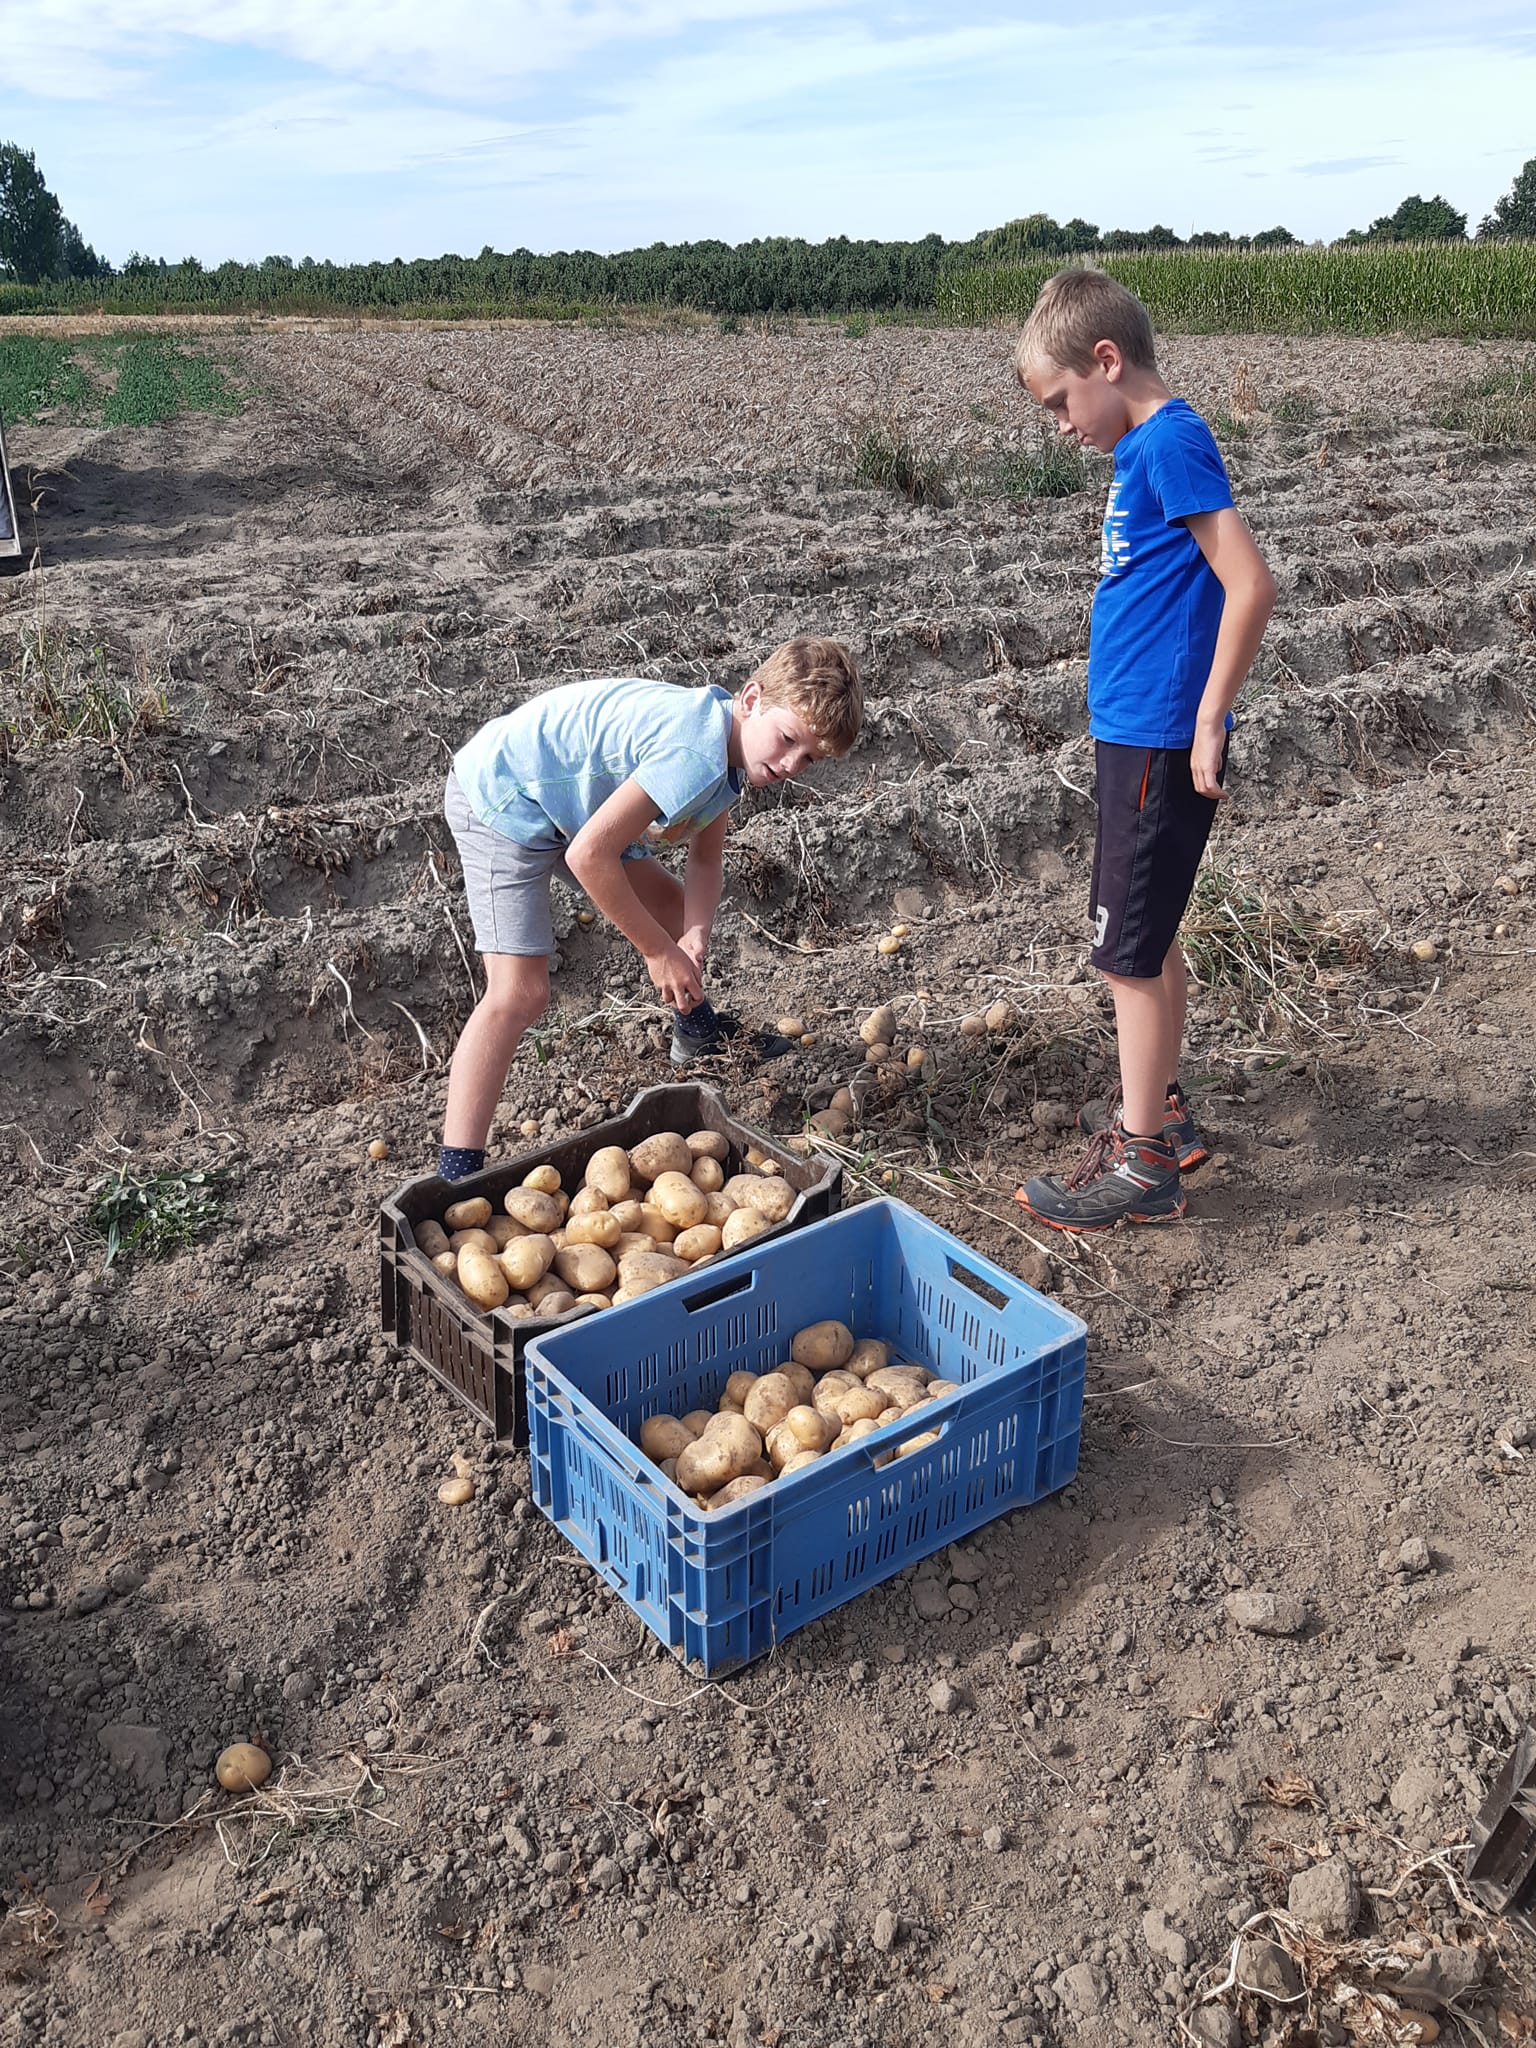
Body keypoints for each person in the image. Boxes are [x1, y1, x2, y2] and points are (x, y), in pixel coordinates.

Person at [1010, 268, 1277, 1231]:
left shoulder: (1170, 440)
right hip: (1134, 733)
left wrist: (1210, 716)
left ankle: (1143, 1162)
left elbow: (1249, 582)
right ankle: (1152, 1103)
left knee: (1123, 951)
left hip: (1163, 735)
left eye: (1060, 402)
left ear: (1107, 362)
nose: (1062, 424)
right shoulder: (1145, 447)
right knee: (1144, 937)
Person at [436, 639, 863, 1182]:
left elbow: (706, 863)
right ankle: (456, 1174)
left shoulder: (734, 753)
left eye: (808, 758)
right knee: (520, 992)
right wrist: (659, 952)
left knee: (675, 910)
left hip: (574, 809)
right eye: (787, 741)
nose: (789, 764)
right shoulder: (697, 753)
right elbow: (589, 855)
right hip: (505, 797)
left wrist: (694, 933)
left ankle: (696, 1030)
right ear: (752, 699)